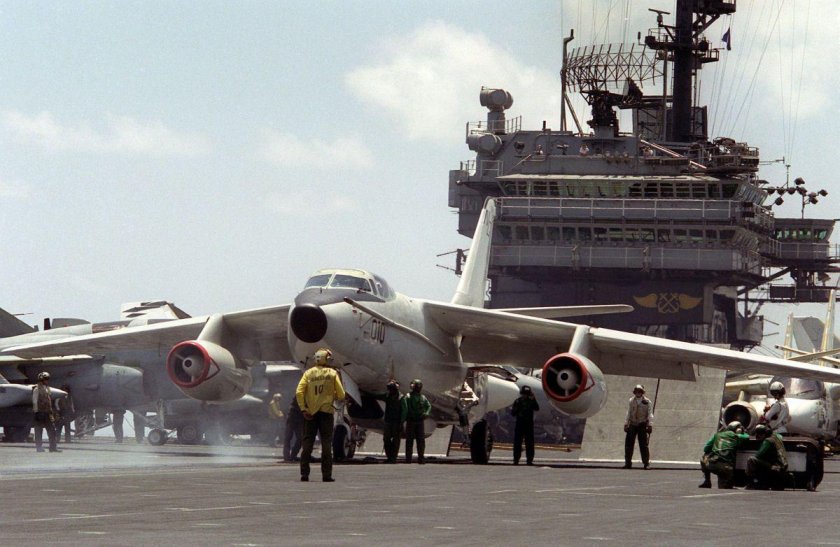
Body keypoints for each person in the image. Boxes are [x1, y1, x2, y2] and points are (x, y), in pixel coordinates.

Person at [296, 348, 346, 482]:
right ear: (327, 359)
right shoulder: (332, 373)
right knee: (326, 444)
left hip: (310, 414)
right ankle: (326, 475)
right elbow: (341, 395)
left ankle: (304, 474)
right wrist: (331, 396)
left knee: (307, 444)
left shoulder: (308, 373)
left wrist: (303, 409)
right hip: (326, 413)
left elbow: (299, 392)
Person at [699, 421, 749, 489]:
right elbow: (747, 436)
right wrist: (743, 432)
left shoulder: (717, 435)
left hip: (713, 465)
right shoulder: (737, 436)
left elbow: (706, 449)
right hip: (727, 468)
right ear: (738, 430)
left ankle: (707, 481)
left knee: (704, 458)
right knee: (724, 488)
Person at [746, 424, 790, 490]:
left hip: (776, 467)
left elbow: (758, 455)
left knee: (751, 460)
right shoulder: (776, 437)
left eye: (759, 434)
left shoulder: (768, 441)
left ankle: (752, 483)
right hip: (782, 466)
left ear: (763, 434)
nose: (757, 436)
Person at [401, 379, 431, 464]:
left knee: (419, 441)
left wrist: (426, 413)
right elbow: (405, 409)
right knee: (411, 441)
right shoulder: (408, 396)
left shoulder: (422, 397)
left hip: (419, 421)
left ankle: (419, 458)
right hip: (411, 421)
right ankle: (410, 459)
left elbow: (428, 406)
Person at [372, 380, 403, 463]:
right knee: (386, 439)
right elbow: (377, 396)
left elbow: (404, 411)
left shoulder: (401, 398)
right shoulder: (387, 396)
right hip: (388, 421)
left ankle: (393, 458)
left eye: (390, 389)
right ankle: (389, 457)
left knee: (396, 441)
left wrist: (402, 422)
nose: (389, 391)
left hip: (397, 422)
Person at [623, 384, 653, 469]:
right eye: (636, 391)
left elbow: (650, 414)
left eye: (640, 391)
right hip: (632, 424)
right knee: (628, 445)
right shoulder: (631, 400)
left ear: (642, 392)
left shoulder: (647, 401)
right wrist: (626, 423)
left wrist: (650, 425)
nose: (638, 393)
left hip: (642, 424)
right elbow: (628, 412)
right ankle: (628, 463)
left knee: (643, 445)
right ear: (634, 392)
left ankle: (646, 463)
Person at [511, 385, 540, 465]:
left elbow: (537, 408)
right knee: (517, 443)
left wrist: (533, 399)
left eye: (526, 394)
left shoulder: (531, 401)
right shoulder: (518, 401)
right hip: (520, 424)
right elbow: (513, 413)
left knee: (529, 443)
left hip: (528, 424)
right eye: (524, 394)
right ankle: (516, 459)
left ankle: (529, 460)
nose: (525, 396)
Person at [32, 372, 59, 453]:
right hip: (40, 412)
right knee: (39, 431)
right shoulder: (37, 389)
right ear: (41, 380)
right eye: (45, 379)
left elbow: (49, 401)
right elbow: (35, 401)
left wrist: (51, 411)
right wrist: (36, 411)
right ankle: (39, 447)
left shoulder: (47, 389)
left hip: (47, 412)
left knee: (52, 430)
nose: (47, 380)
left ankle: (53, 448)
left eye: (47, 379)